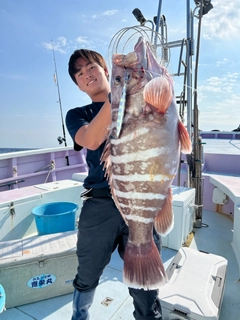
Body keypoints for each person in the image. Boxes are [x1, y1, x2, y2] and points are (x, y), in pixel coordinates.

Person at [66, 48, 163, 320]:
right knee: (87, 272)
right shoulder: (77, 113)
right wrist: (120, 93)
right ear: (77, 84)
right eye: (79, 73)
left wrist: (134, 82)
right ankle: (80, 315)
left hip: (141, 200)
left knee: (145, 284)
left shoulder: (136, 99)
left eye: (91, 67)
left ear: (105, 70)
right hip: (100, 206)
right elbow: (91, 140)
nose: (86, 74)